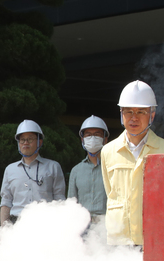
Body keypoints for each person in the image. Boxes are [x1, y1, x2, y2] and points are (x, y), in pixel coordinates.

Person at [101, 80, 163, 245]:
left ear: (152, 115)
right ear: (121, 114)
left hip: (156, 240)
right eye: (128, 111)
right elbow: (110, 193)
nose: (134, 117)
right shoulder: (108, 151)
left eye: (141, 112)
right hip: (120, 241)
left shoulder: (162, 150)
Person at [0, 119, 66, 225]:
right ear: (18, 143)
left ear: (39, 141)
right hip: (17, 224)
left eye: (30, 139)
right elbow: (6, 201)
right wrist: (3, 227)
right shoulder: (10, 169)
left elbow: (59, 199)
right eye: (22, 140)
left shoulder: (53, 167)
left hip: (46, 223)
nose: (25, 143)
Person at [68, 115, 109, 222]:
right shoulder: (76, 170)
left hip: (106, 223)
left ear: (105, 139)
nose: (93, 138)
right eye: (88, 135)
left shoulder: (112, 168)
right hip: (82, 223)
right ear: (82, 139)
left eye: (97, 134)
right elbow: (71, 203)